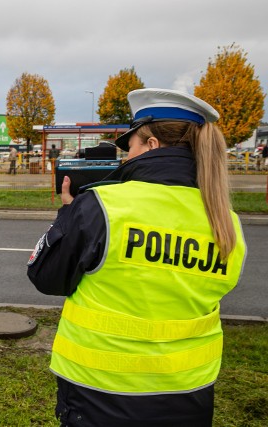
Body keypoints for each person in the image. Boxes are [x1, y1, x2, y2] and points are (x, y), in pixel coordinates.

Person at [27, 88, 247, 426]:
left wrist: (67, 216)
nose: (126, 158)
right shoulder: (226, 222)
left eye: (130, 147)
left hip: (101, 392)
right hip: (189, 392)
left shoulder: (103, 206)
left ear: (152, 145)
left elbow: (46, 277)